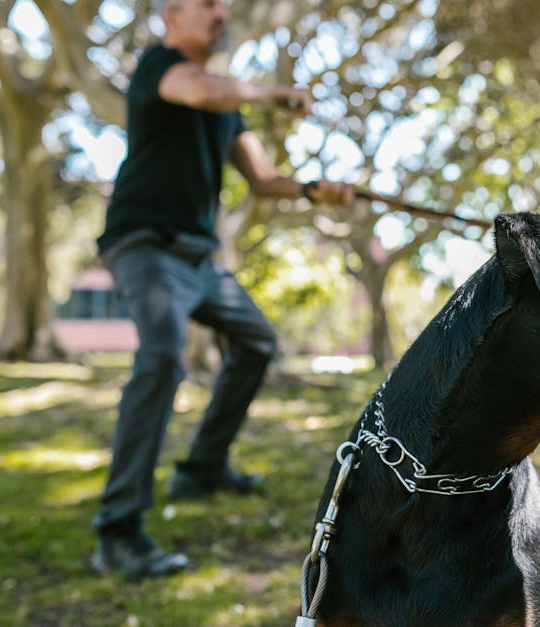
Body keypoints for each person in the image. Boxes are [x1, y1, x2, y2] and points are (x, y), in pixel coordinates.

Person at [91, 0, 355, 580]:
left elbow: (262, 181)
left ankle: (203, 467)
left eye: (222, 6)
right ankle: (118, 531)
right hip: (144, 244)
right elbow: (204, 91)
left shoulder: (228, 105)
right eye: (206, 5)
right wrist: (271, 93)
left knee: (258, 341)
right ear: (171, 17)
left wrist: (314, 189)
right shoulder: (161, 68)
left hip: (197, 256)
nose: (219, 13)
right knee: (161, 357)